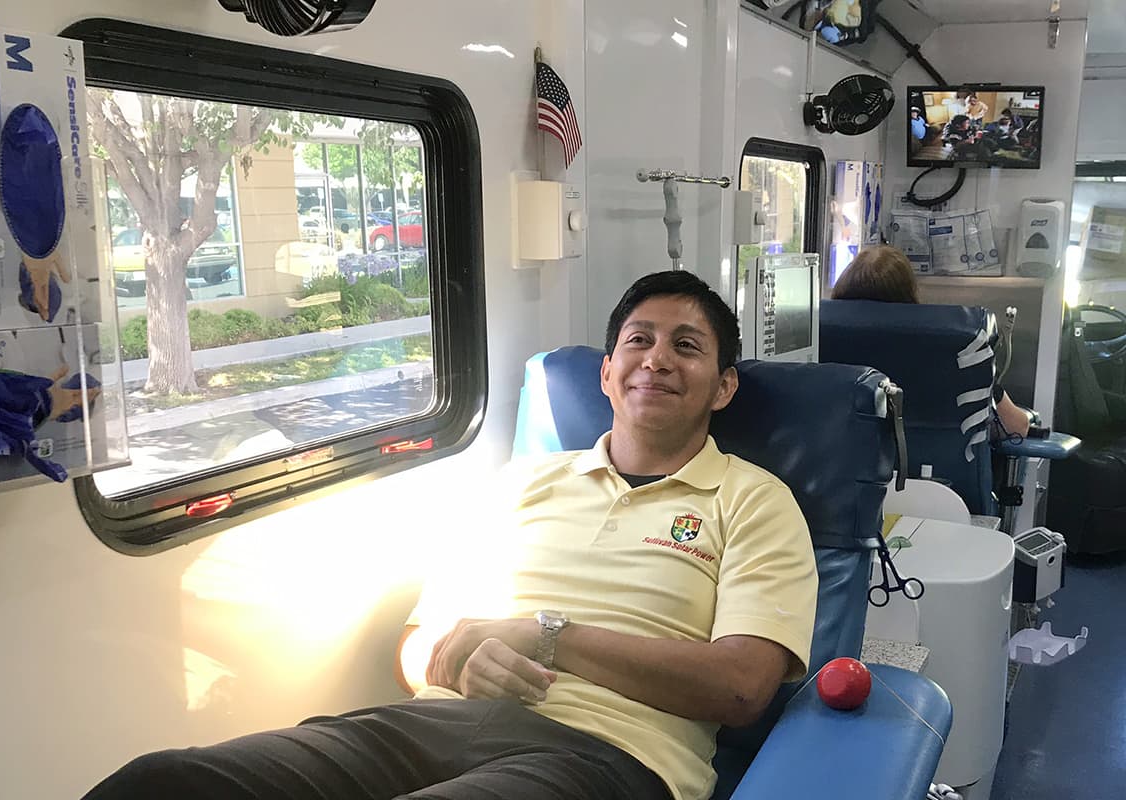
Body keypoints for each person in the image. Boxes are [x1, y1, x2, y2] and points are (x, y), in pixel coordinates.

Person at [82, 271, 819, 800]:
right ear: (606, 374)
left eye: (687, 346)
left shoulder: (754, 502)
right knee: (160, 782)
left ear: (723, 386)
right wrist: (452, 662)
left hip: (609, 758)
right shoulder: (523, 483)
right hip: (435, 721)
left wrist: (546, 636)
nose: (657, 359)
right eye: (639, 340)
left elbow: (742, 687)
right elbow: (420, 647)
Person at [832, 245, 1034, 437]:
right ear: (909, 296)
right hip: (933, 472)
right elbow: (1017, 427)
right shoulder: (955, 345)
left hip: (837, 470)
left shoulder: (820, 344)